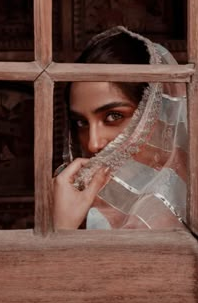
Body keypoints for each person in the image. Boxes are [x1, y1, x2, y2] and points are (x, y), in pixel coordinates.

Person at [53, 26, 187, 230]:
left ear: (156, 114)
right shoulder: (71, 204)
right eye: (81, 122)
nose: (93, 143)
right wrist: (62, 226)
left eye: (113, 116)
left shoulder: (184, 212)